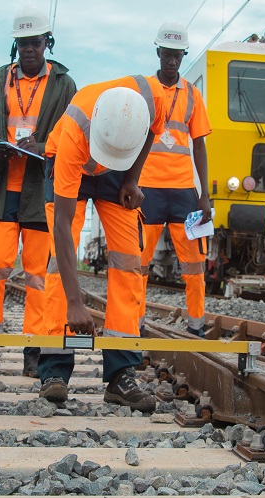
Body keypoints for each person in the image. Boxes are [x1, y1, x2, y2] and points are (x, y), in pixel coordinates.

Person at [38, 77, 168, 412]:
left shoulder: (153, 99)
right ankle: (54, 368)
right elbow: (64, 228)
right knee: (58, 259)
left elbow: (153, 131)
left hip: (120, 168)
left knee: (128, 260)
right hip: (75, 162)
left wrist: (131, 178)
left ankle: (121, 374)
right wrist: (75, 303)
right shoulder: (74, 135)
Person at [0, 5, 76, 376]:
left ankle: (33, 349)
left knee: (35, 275)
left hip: (40, 191)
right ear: (16, 46)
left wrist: (43, 145)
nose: (29, 48)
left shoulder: (63, 84)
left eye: (35, 41)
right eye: (22, 43)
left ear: (47, 42)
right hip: (4, 190)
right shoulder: (0, 79)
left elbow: (73, 135)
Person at [138, 21, 212, 337]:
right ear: (158, 52)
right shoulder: (144, 91)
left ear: (183, 55)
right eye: (167, 55)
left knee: (195, 264)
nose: (172, 61)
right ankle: (134, 323)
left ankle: (196, 325)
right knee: (137, 265)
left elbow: (200, 145)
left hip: (184, 192)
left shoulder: (193, 96)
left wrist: (204, 194)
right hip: (147, 190)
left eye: (177, 56)